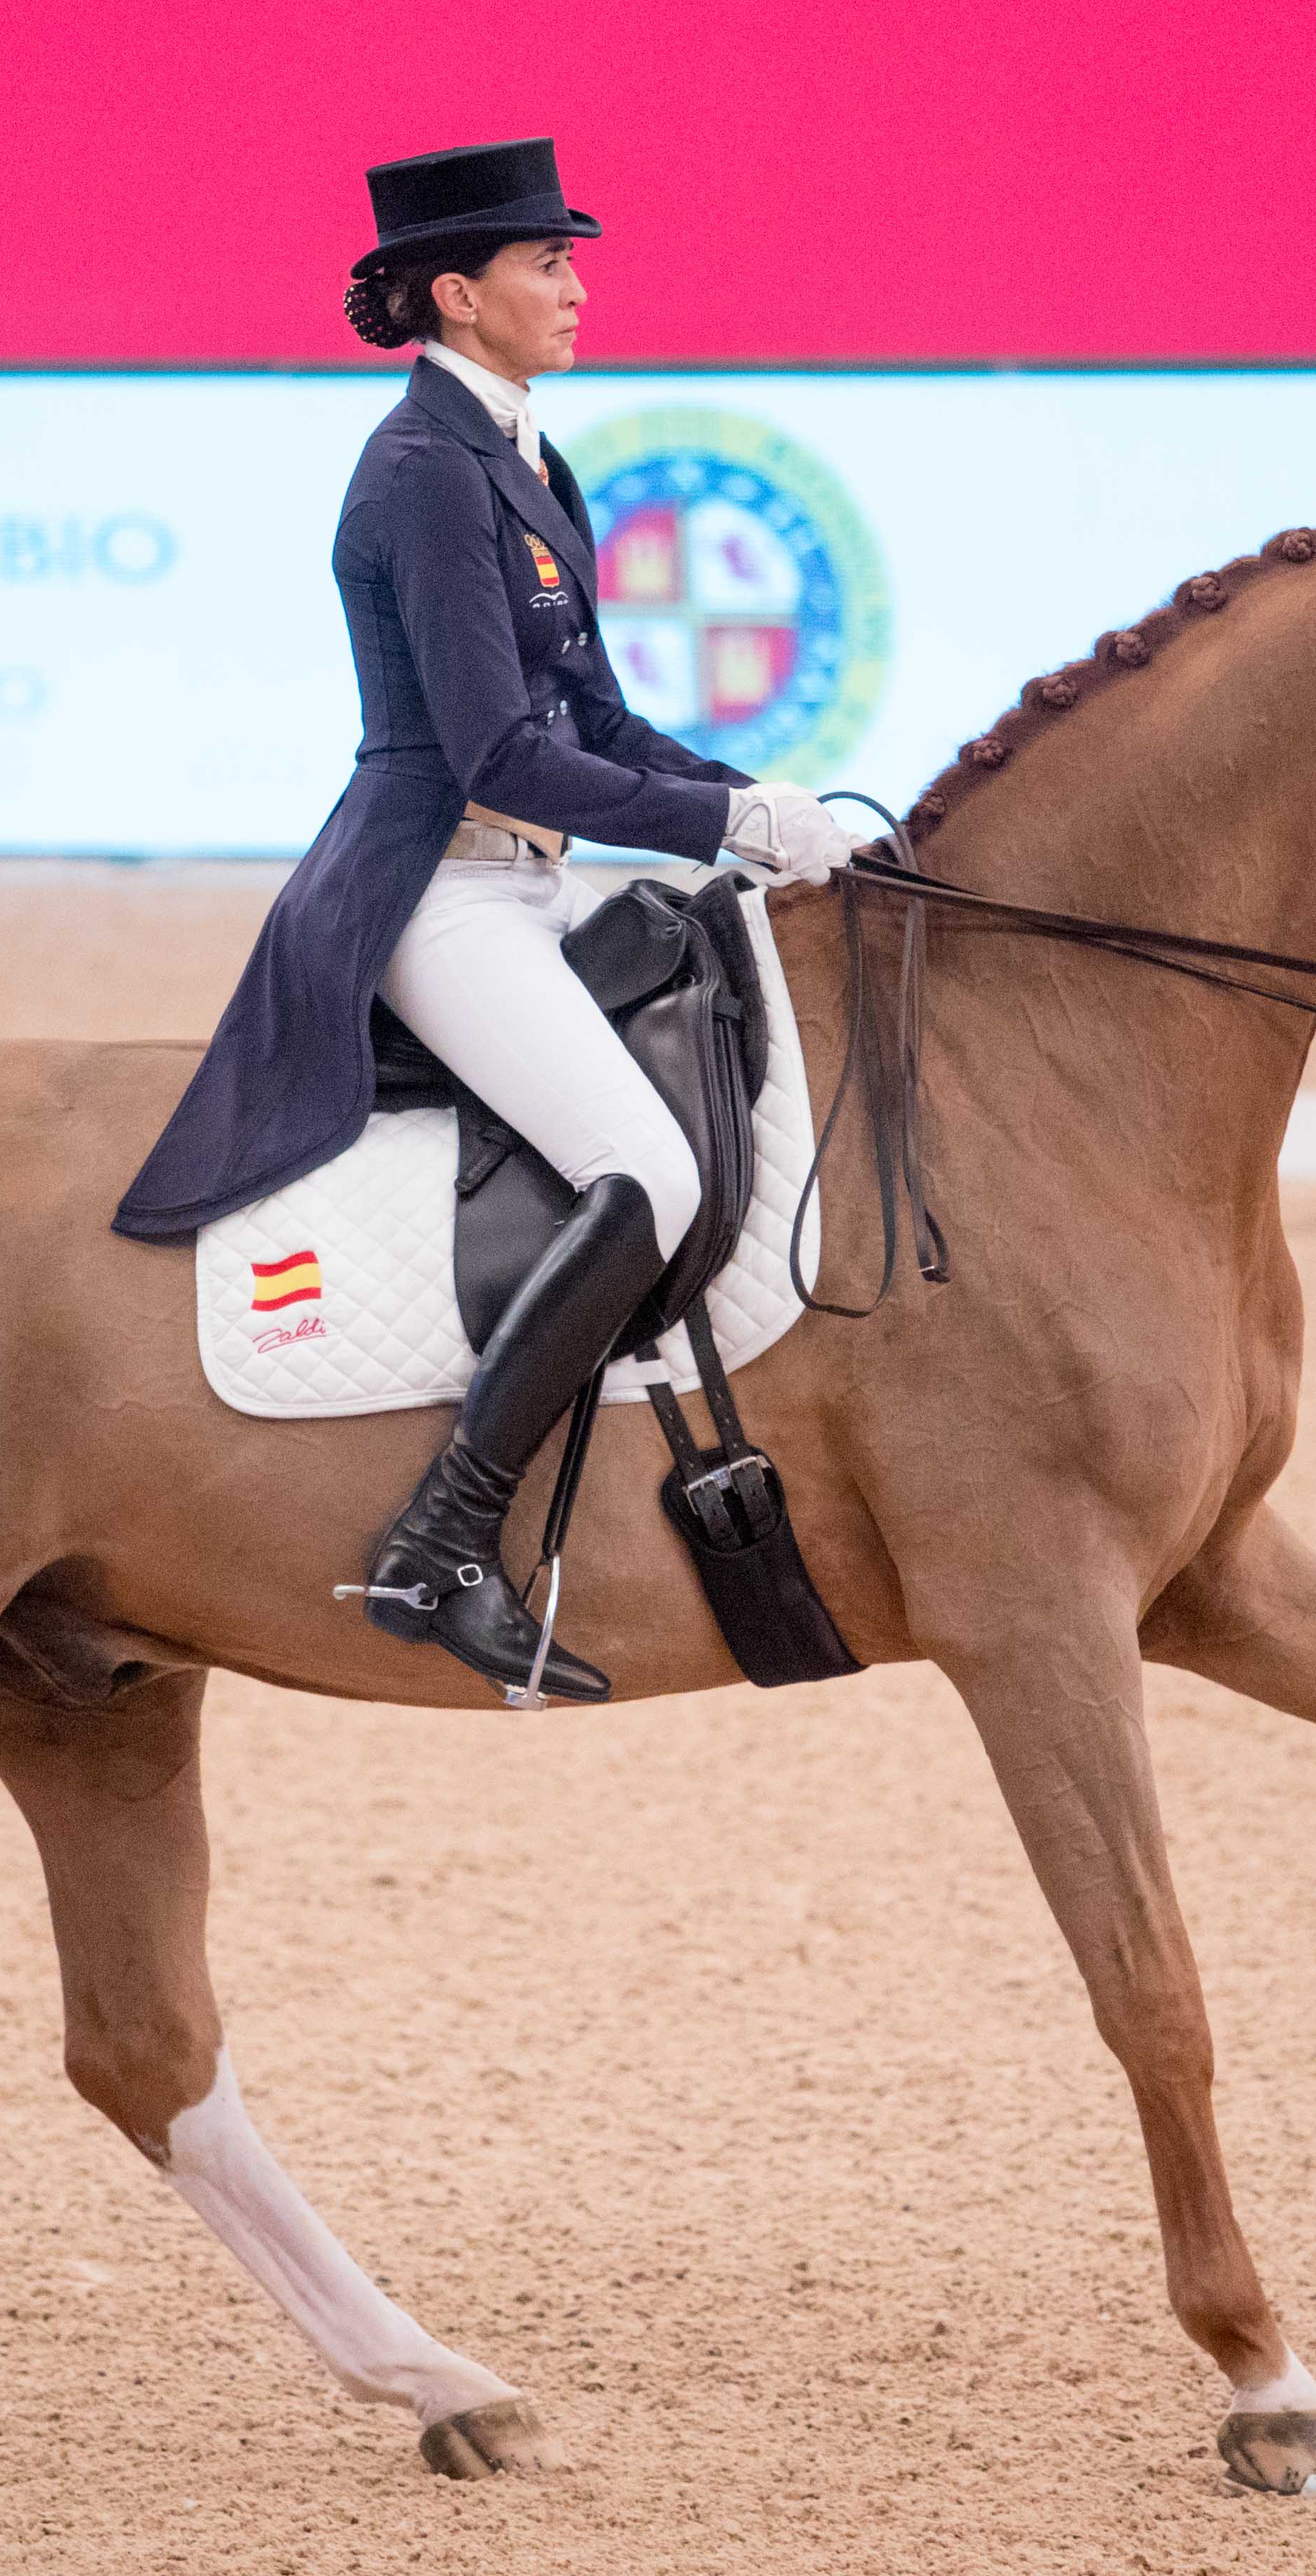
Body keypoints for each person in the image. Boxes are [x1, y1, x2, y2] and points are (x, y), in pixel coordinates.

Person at [114, 137, 862, 1703]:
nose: (579, 288)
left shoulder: (528, 462)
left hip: (529, 877)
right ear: (460, 294)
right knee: (645, 1170)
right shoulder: (420, 476)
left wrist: (774, 804)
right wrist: (725, 824)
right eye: (549, 265)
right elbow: (504, 756)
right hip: (433, 891)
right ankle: (441, 1540)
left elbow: (599, 718)